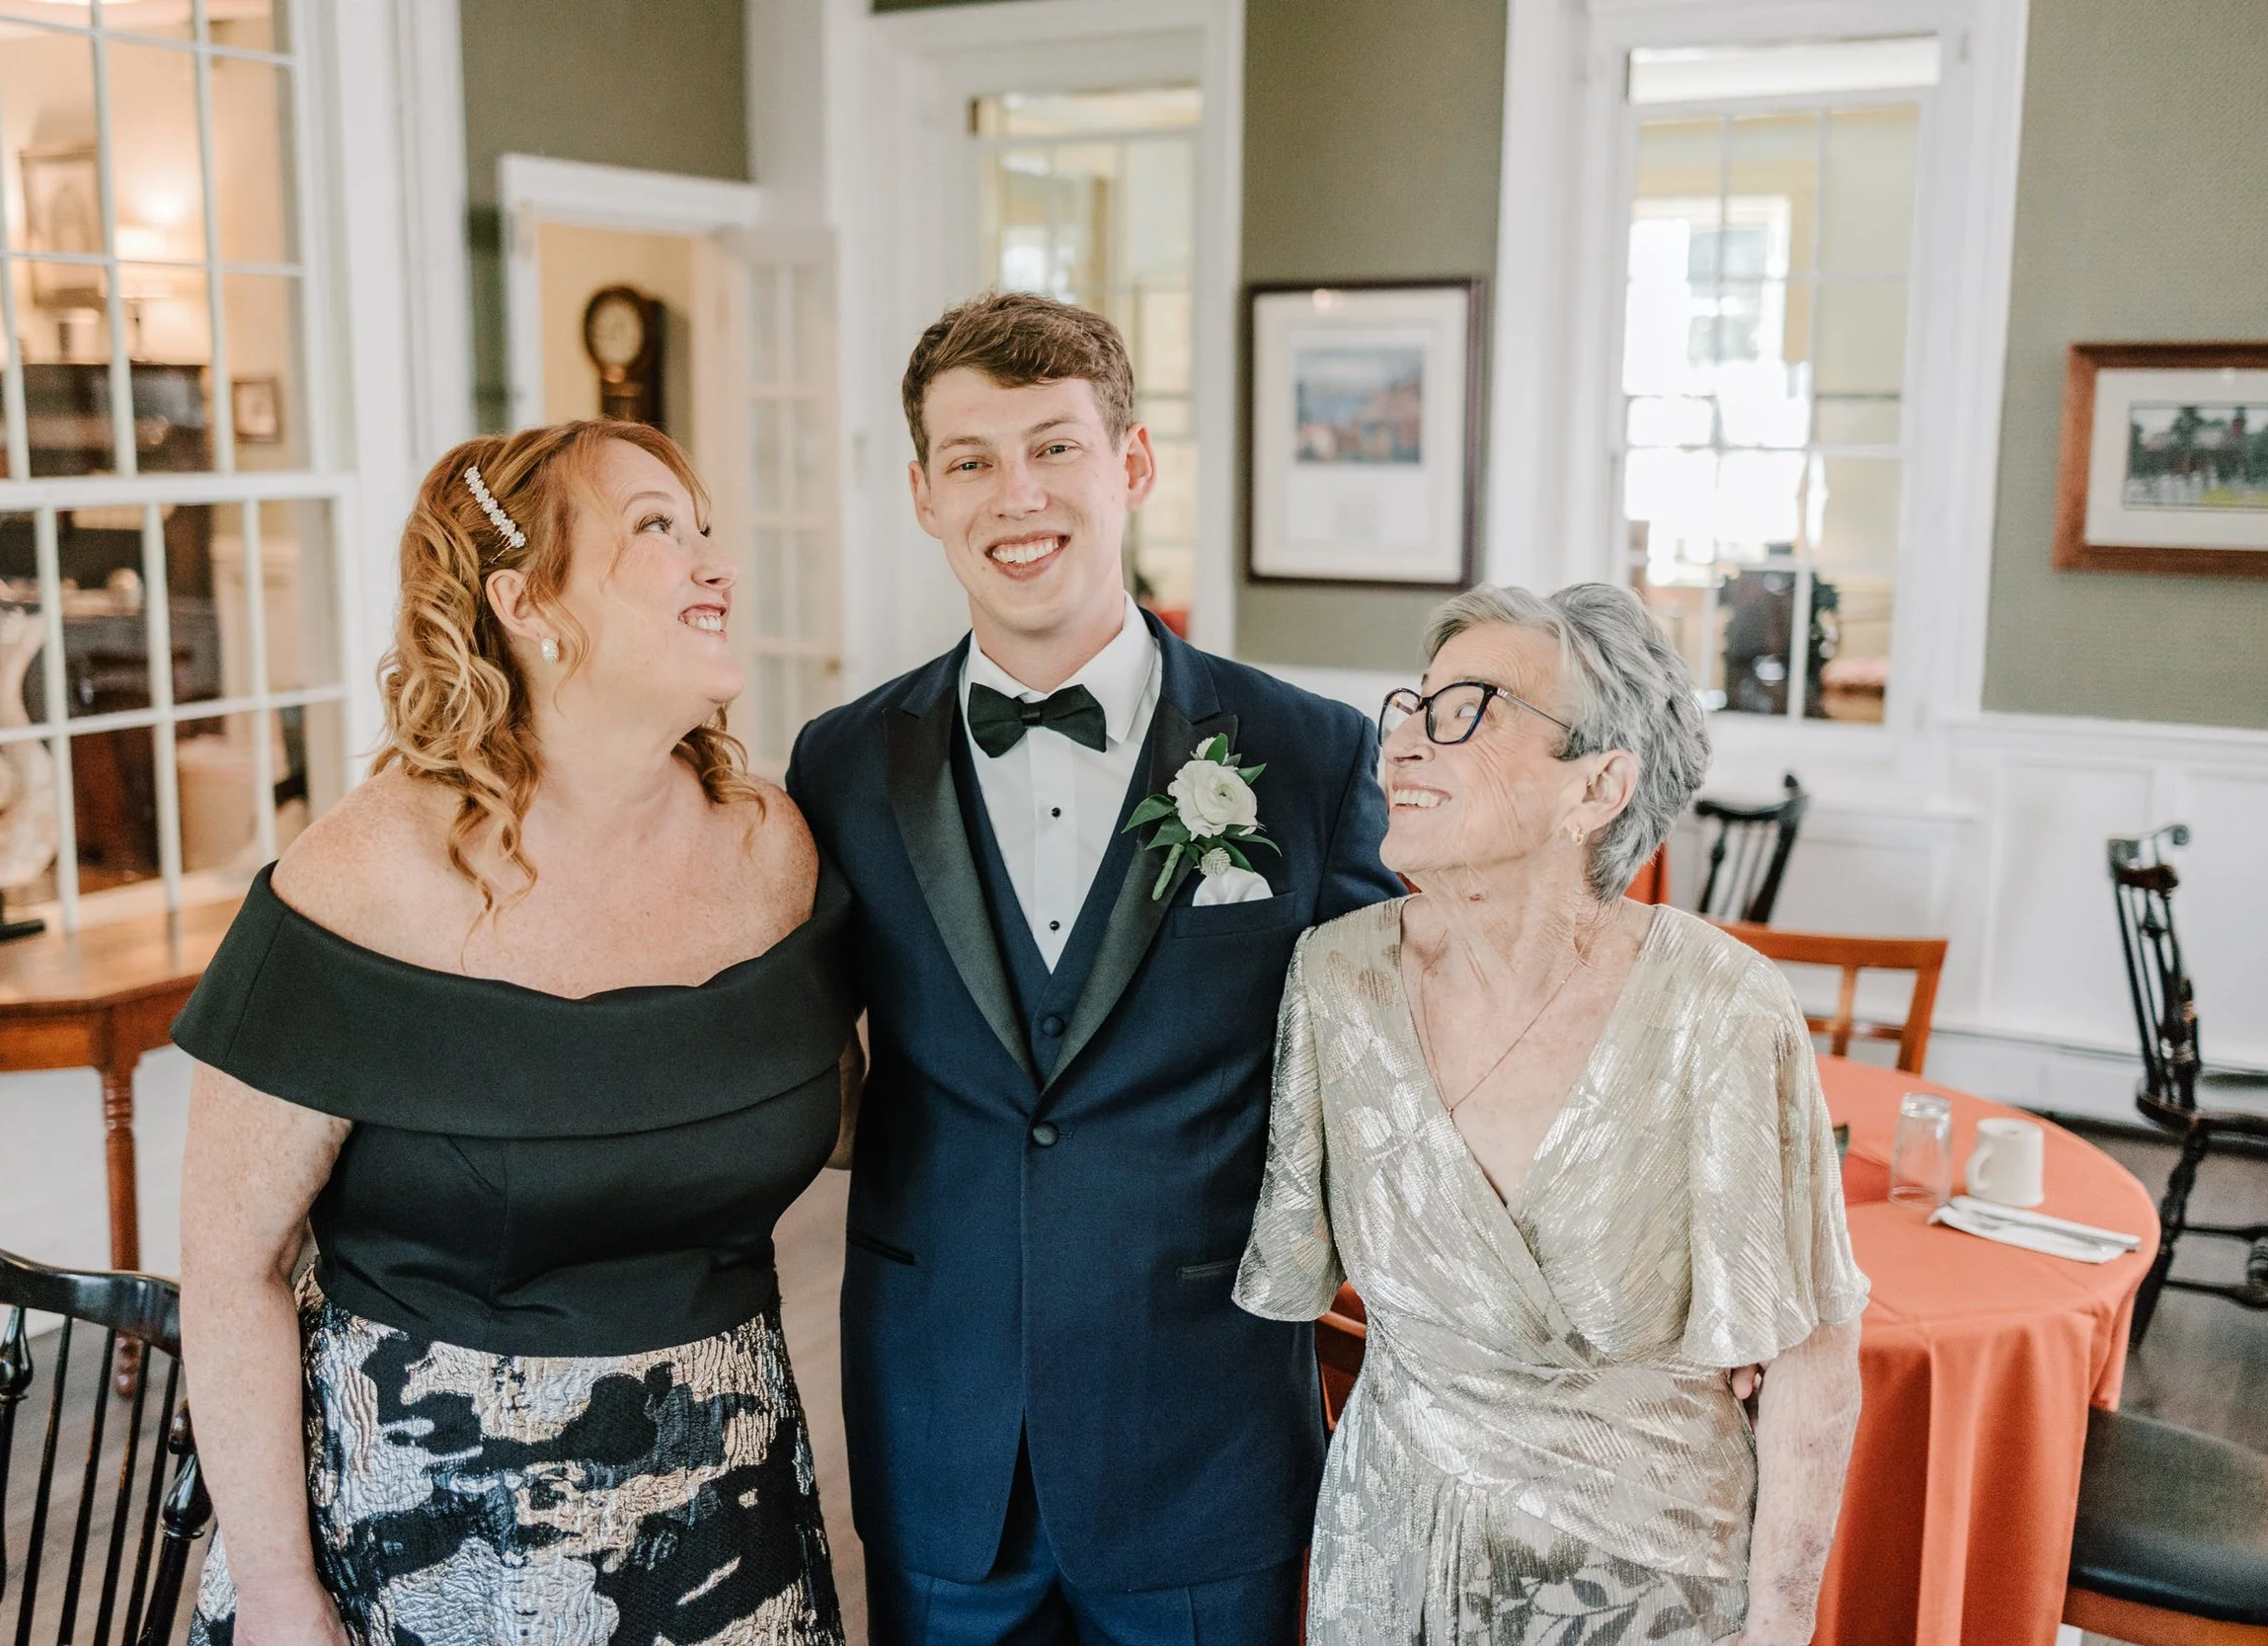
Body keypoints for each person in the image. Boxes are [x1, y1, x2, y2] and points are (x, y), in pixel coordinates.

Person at [786, 291, 1398, 1646]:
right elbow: (786, 1055)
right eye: (972, 458)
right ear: (922, 494)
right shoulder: (840, 763)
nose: (1019, 495)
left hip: (1204, 1437)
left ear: (1130, 464)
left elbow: (1395, 1081)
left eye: (1055, 447)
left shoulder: (1309, 756)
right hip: (941, 1430)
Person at [178, 422, 852, 1646]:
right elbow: (229, 1266)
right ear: (525, 599)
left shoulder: (773, 850)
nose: (717, 565)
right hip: (423, 1533)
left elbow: (859, 1116)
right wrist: (279, 1586)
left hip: (725, 1524)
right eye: (656, 527)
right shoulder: (364, 876)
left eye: (704, 530)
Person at [1237, 581, 1869, 1645]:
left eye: (1466, 708)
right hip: (1391, 1561)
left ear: (1599, 786)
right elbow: (1296, 1282)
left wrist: (1780, 1629)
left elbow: (1808, 1353)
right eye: (1412, 705)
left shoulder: (1719, 1005)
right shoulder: (1336, 978)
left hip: (1648, 1581)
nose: (1401, 743)